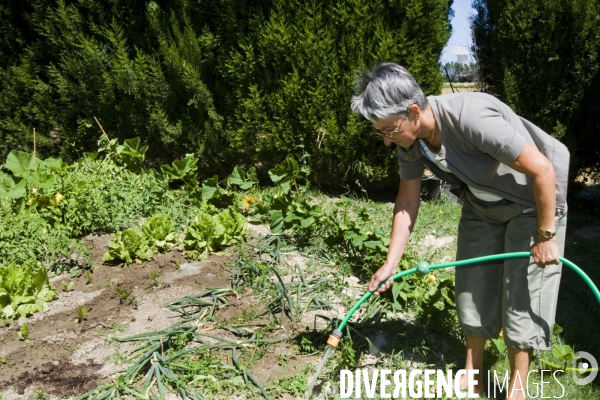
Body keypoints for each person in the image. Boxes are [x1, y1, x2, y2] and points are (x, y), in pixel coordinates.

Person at [350, 62, 569, 399]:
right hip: (482, 208)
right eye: (380, 131)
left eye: (389, 130)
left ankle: (518, 389)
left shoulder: (471, 117)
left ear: (411, 112)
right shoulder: (412, 142)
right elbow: (407, 201)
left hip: (532, 204)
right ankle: (473, 373)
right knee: (471, 285)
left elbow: (541, 169)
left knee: (520, 296)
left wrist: (545, 236)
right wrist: (390, 263)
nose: (385, 141)